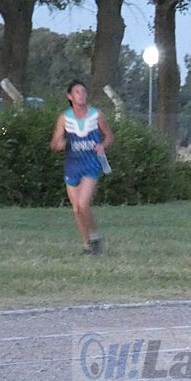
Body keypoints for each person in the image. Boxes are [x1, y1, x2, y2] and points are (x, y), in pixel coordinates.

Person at [50, 79, 114, 256]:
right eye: (77, 92)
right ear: (70, 96)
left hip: (91, 164)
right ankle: (87, 245)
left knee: (83, 203)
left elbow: (109, 136)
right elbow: (54, 143)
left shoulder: (96, 115)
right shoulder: (65, 118)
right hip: (72, 165)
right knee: (76, 209)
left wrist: (103, 145)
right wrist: (60, 143)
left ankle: (95, 237)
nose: (82, 95)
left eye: (84, 91)